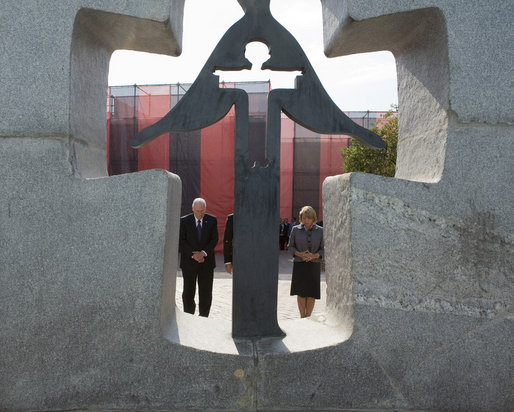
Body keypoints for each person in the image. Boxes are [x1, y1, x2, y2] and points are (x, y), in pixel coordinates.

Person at [179, 198, 218, 317]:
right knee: (188, 292)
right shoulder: (184, 221)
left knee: (206, 291)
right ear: (192, 209)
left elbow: (214, 239)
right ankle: (189, 315)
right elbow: (181, 241)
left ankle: (204, 316)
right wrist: (194, 255)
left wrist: (203, 253)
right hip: (189, 262)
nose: (199, 214)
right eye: (197, 211)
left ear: (205, 209)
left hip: (206, 262)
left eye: (202, 211)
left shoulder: (212, 220)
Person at [287, 206, 323, 318]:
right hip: (299, 264)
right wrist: (300, 254)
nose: (306, 220)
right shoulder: (295, 230)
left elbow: (324, 248)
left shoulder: (321, 231)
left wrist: (314, 255)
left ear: (313, 218)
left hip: (314, 265)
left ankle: (308, 317)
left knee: (311, 293)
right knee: (301, 293)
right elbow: (290, 247)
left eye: (308, 218)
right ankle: (302, 317)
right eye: (303, 217)